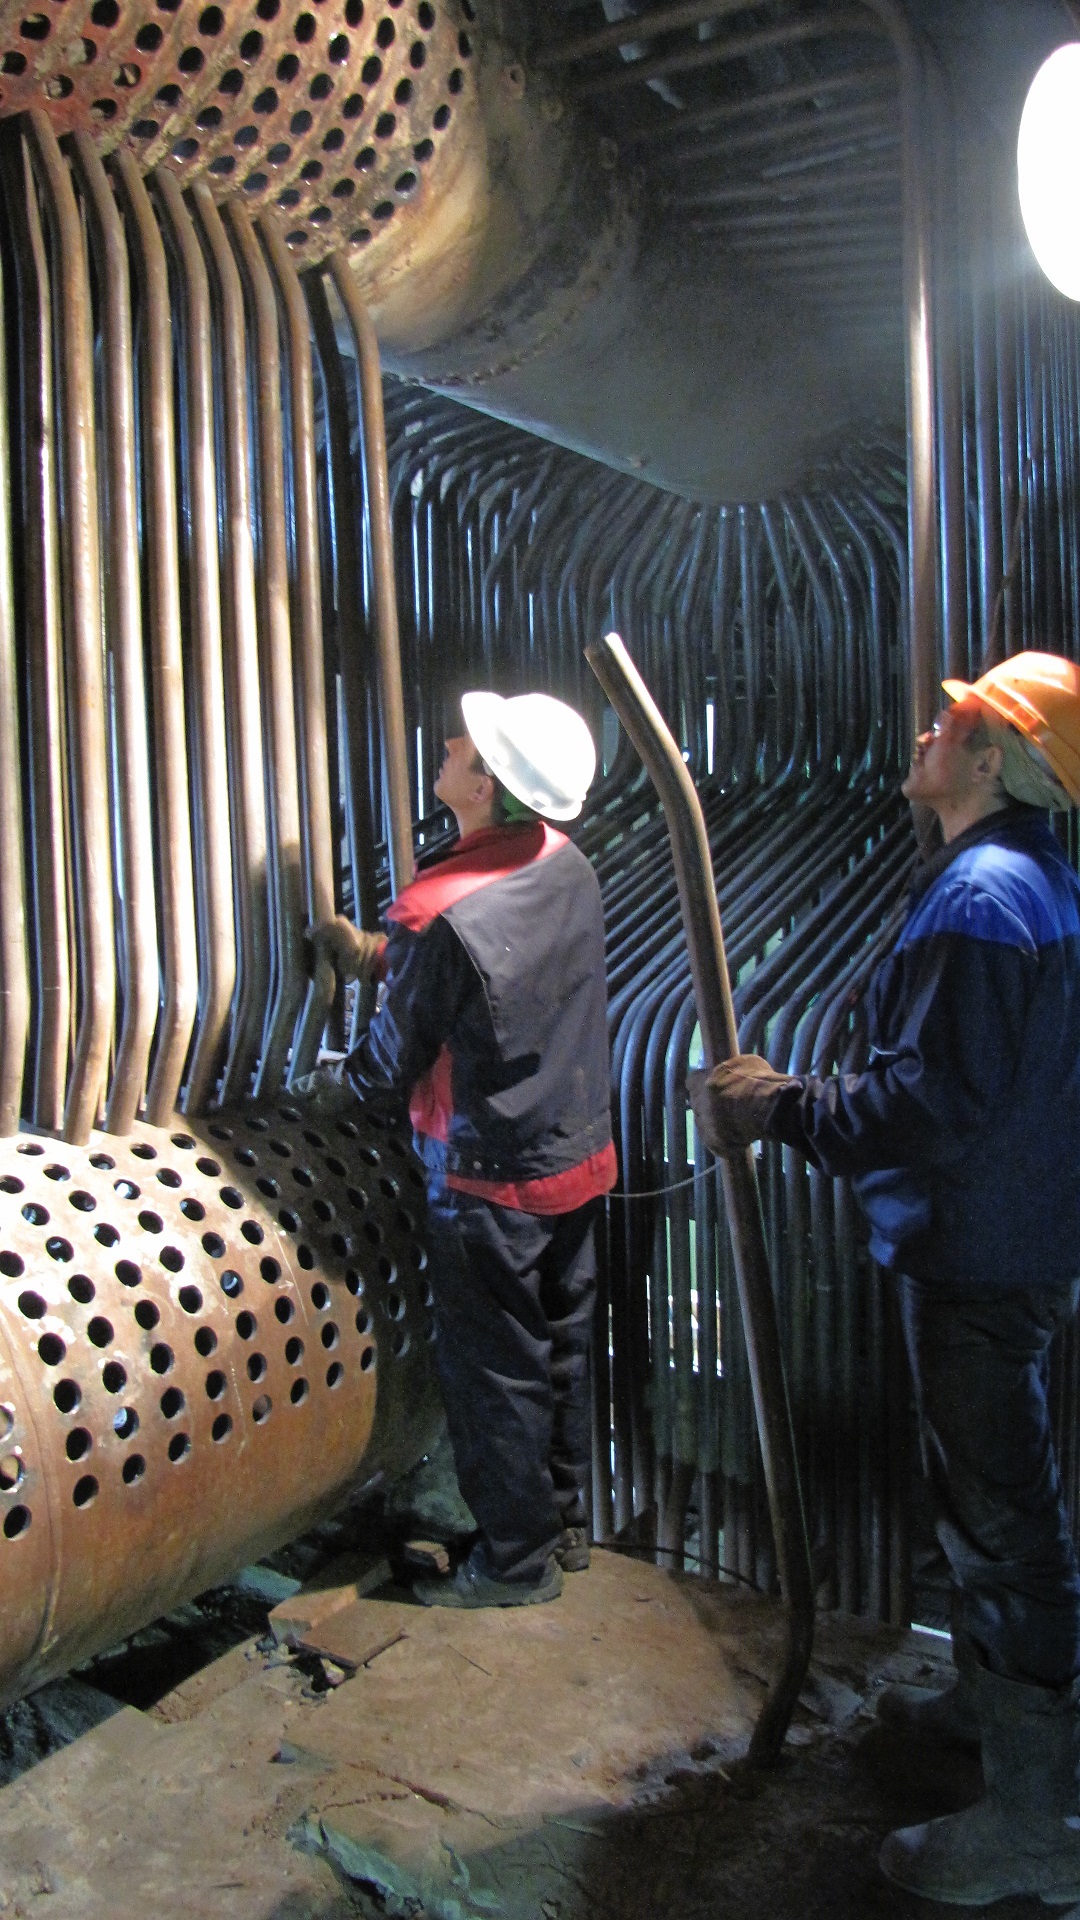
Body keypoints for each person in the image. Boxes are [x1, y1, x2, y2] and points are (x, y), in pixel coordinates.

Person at [688, 652, 1080, 1906]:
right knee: (993, 1501)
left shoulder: (981, 898)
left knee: (1004, 1523)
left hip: (977, 1252)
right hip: (1017, 1239)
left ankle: (1038, 1828)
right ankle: (992, 1707)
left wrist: (783, 1105)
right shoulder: (1036, 880)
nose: (927, 731)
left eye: (951, 722)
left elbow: (930, 1102)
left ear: (993, 758)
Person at [315, 690, 615, 1610]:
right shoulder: (566, 860)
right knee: (559, 1351)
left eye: (465, 746)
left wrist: (333, 1086)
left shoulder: (436, 909)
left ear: (484, 786)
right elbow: (498, 968)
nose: (446, 745)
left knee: (495, 1372)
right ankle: (562, 1526)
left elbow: (389, 1064)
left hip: (487, 1181)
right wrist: (383, 957)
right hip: (577, 1154)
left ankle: (514, 1564)